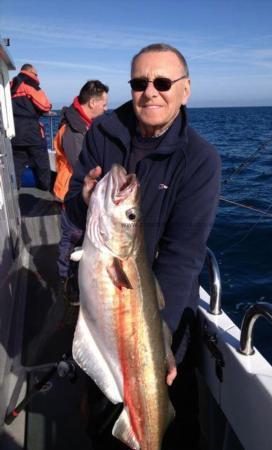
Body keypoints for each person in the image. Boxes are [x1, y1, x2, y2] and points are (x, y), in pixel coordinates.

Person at [65, 43, 221, 449]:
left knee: (167, 421)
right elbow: (70, 206)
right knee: (101, 417)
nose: (150, 91)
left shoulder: (201, 160)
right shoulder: (104, 131)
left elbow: (184, 254)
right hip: (104, 305)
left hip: (162, 313)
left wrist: (159, 338)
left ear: (185, 90)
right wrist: (83, 200)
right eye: (139, 82)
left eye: (163, 82)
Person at [54, 80, 109, 304]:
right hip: (70, 196)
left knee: (79, 241)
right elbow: (82, 166)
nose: (107, 109)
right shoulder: (74, 132)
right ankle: (66, 287)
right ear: (93, 103)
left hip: (78, 195)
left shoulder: (82, 125)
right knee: (71, 241)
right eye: (104, 104)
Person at [11, 63, 52, 190]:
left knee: (17, 164)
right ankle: (45, 192)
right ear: (31, 72)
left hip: (14, 132)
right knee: (42, 164)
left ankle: (14, 192)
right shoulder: (29, 83)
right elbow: (44, 105)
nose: (37, 76)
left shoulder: (10, 84)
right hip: (31, 132)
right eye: (36, 74)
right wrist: (48, 108)